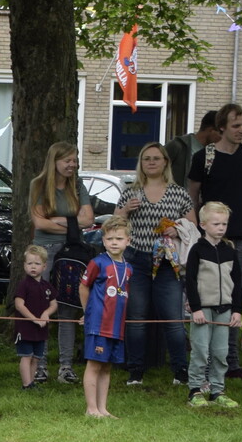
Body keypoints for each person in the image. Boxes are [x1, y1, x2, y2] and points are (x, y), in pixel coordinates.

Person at [185, 103, 242, 375]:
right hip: (209, 238)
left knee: (234, 294)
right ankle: (204, 359)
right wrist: (195, 231)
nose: (241, 130)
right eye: (235, 126)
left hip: (240, 236)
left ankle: (231, 360)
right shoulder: (204, 157)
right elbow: (192, 196)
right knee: (207, 295)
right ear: (221, 127)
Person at [115, 141, 193, 386]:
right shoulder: (131, 191)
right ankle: (135, 371)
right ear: (141, 163)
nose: (151, 162)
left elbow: (192, 225)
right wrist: (125, 210)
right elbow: (115, 224)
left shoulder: (179, 192)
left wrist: (177, 230)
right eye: (146, 158)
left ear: (165, 162)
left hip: (168, 262)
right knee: (136, 318)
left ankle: (180, 371)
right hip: (136, 259)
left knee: (173, 318)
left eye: (156, 158)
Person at [29, 141, 93, 383]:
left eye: (75, 160)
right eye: (67, 160)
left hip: (71, 253)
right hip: (44, 252)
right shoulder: (38, 185)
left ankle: (66, 366)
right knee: (41, 307)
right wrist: (72, 224)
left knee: (67, 307)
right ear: (54, 161)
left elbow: (88, 219)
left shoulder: (77, 185)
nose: (72, 164)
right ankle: (40, 364)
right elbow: (39, 223)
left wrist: (56, 219)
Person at [185, 201, 242, 407]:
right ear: (203, 225)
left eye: (224, 224)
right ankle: (195, 389)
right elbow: (190, 281)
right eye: (216, 224)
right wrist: (196, 308)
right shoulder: (197, 250)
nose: (221, 228)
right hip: (203, 309)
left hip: (225, 309)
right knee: (200, 350)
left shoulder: (230, 251)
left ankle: (217, 390)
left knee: (220, 351)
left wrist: (237, 310)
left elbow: (237, 282)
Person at [79, 217, 132, 417]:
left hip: (116, 325)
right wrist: (87, 312)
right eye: (110, 239)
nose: (114, 242)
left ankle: (103, 408)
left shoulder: (129, 268)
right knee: (94, 364)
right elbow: (83, 287)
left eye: (119, 238)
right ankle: (91, 408)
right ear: (103, 241)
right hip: (98, 324)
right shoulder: (98, 263)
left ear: (128, 241)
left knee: (107, 367)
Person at [12, 245, 56, 389]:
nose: (33, 266)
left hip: (41, 329)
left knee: (36, 358)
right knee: (27, 356)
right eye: (30, 263)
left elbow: (54, 304)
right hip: (25, 328)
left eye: (37, 263)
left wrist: (46, 313)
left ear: (44, 266)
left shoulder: (47, 286)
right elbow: (19, 305)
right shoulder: (24, 285)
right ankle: (26, 384)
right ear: (24, 265)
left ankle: (32, 383)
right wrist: (34, 319)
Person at [164, 110, 220, 199]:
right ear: (211, 130)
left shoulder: (213, 152)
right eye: (220, 133)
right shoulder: (178, 145)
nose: (222, 137)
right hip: (174, 201)